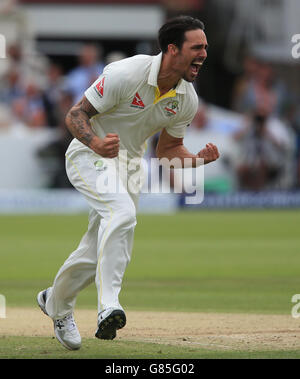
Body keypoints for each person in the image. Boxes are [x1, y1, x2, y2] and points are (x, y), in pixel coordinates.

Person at [37, 15, 219, 350]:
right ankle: (109, 305)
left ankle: (56, 302)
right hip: (88, 154)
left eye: (205, 47)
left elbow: (169, 150)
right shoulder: (126, 72)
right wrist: (96, 143)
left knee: (95, 251)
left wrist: (197, 160)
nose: (204, 53)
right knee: (122, 214)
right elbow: (76, 114)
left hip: (130, 168)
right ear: (172, 49)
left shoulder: (186, 99)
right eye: (197, 47)